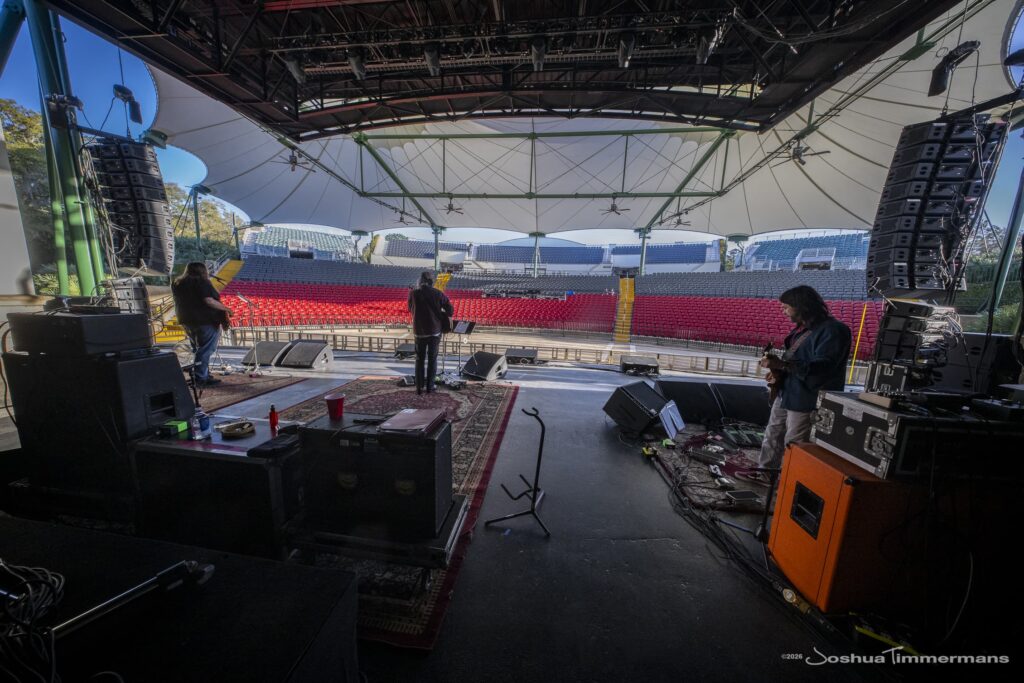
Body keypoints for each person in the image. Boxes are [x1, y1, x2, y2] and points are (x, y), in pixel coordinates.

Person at [756, 285, 851, 470]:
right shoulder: (802, 330)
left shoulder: (834, 330)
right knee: (773, 435)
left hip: (806, 399)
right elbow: (798, 362)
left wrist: (782, 365)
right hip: (787, 393)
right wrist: (779, 372)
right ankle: (765, 473)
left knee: (794, 444)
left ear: (802, 306)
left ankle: (787, 486)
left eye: (786, 307)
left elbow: (823, 367)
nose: (783, 311)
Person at [171, 262, 232, 386]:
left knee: (197, 349)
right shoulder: (202, 282)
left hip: (187, 320)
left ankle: (202, 374)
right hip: (205, 320)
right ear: (203, 271)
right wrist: (226, 309)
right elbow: (209, 300)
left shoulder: (177, 283)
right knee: (206, 350)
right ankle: (200, 377)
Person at [407, 271, 454, 395]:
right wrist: (441, 313)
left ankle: (419, 387)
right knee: (432, 359)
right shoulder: (438, 293)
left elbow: (409, 309)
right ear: (431, 282)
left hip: (419, 331)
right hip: (434, 331)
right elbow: (450, 310)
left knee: (419, 359)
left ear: (420, 281)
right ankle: (430, 386)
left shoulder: (413, 294)